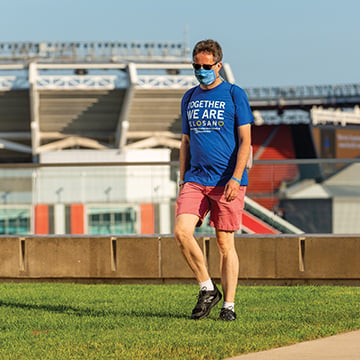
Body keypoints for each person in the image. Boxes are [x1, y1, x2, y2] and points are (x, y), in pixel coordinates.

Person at [174, 39, 253, 321]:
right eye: (196, 66)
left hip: (226, 181)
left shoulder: (234, 94)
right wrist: (183, 180)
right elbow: (185, 142)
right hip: (196, 179)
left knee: (224, 244)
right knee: (182, 231)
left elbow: (245, 141)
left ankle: (228, 306)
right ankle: (207, 288)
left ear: (218, 65)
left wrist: (235, 178)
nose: (200, 71)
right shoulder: (189, 97)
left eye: (206, 66)